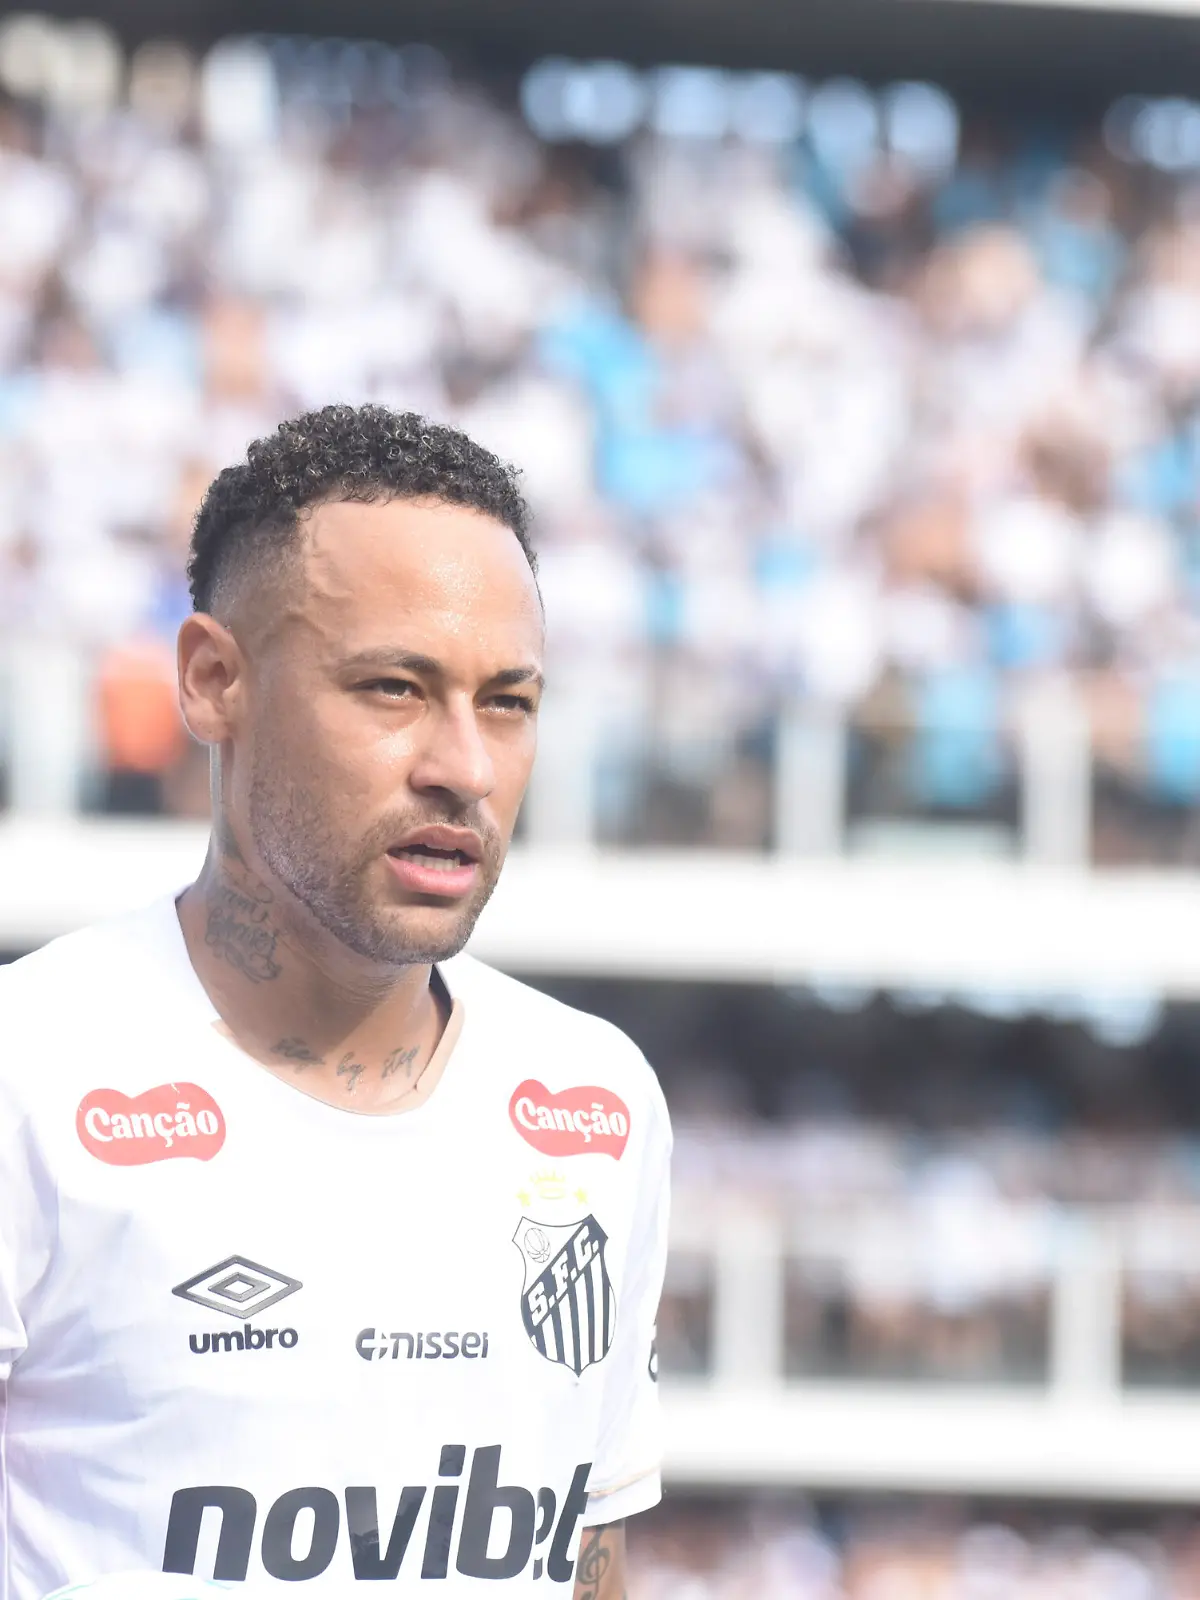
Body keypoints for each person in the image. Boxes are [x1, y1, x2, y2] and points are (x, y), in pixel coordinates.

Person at [0, 405, 672, 1598]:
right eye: (395, 687)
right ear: (214, 681)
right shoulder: (32, 1074)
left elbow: (588, 1560)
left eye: (509, 701)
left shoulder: (598, 1100)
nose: (463, 765)